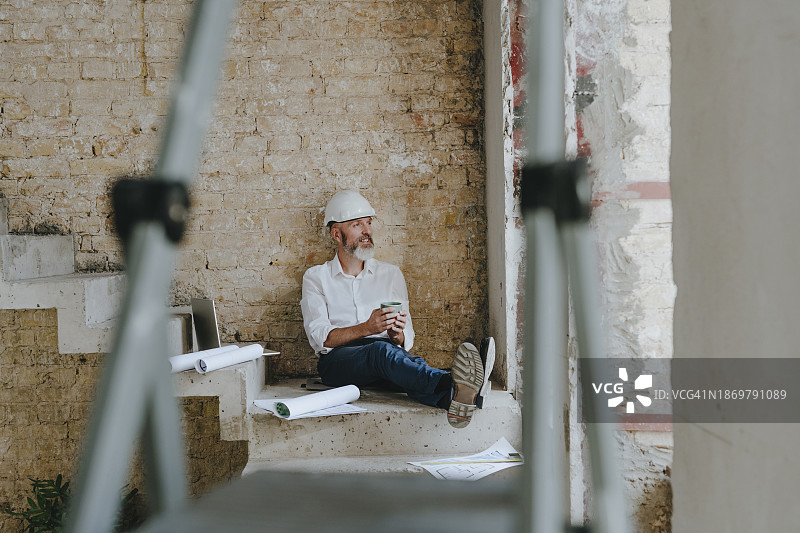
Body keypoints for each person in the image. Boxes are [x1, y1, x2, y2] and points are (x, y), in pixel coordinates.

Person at [300, 190, 495, 428]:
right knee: (382, 352)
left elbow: (407, 337)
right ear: (336, 234)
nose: (366, 231)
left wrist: (398, 334)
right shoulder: (316, 277)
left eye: (369, 223)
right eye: (356, 225)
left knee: (404, 367)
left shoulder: (390, 274)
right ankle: (459, 385)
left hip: (388, 357)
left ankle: (457, 398)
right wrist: (367, 328)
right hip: (339, 362)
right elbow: (320, 338)